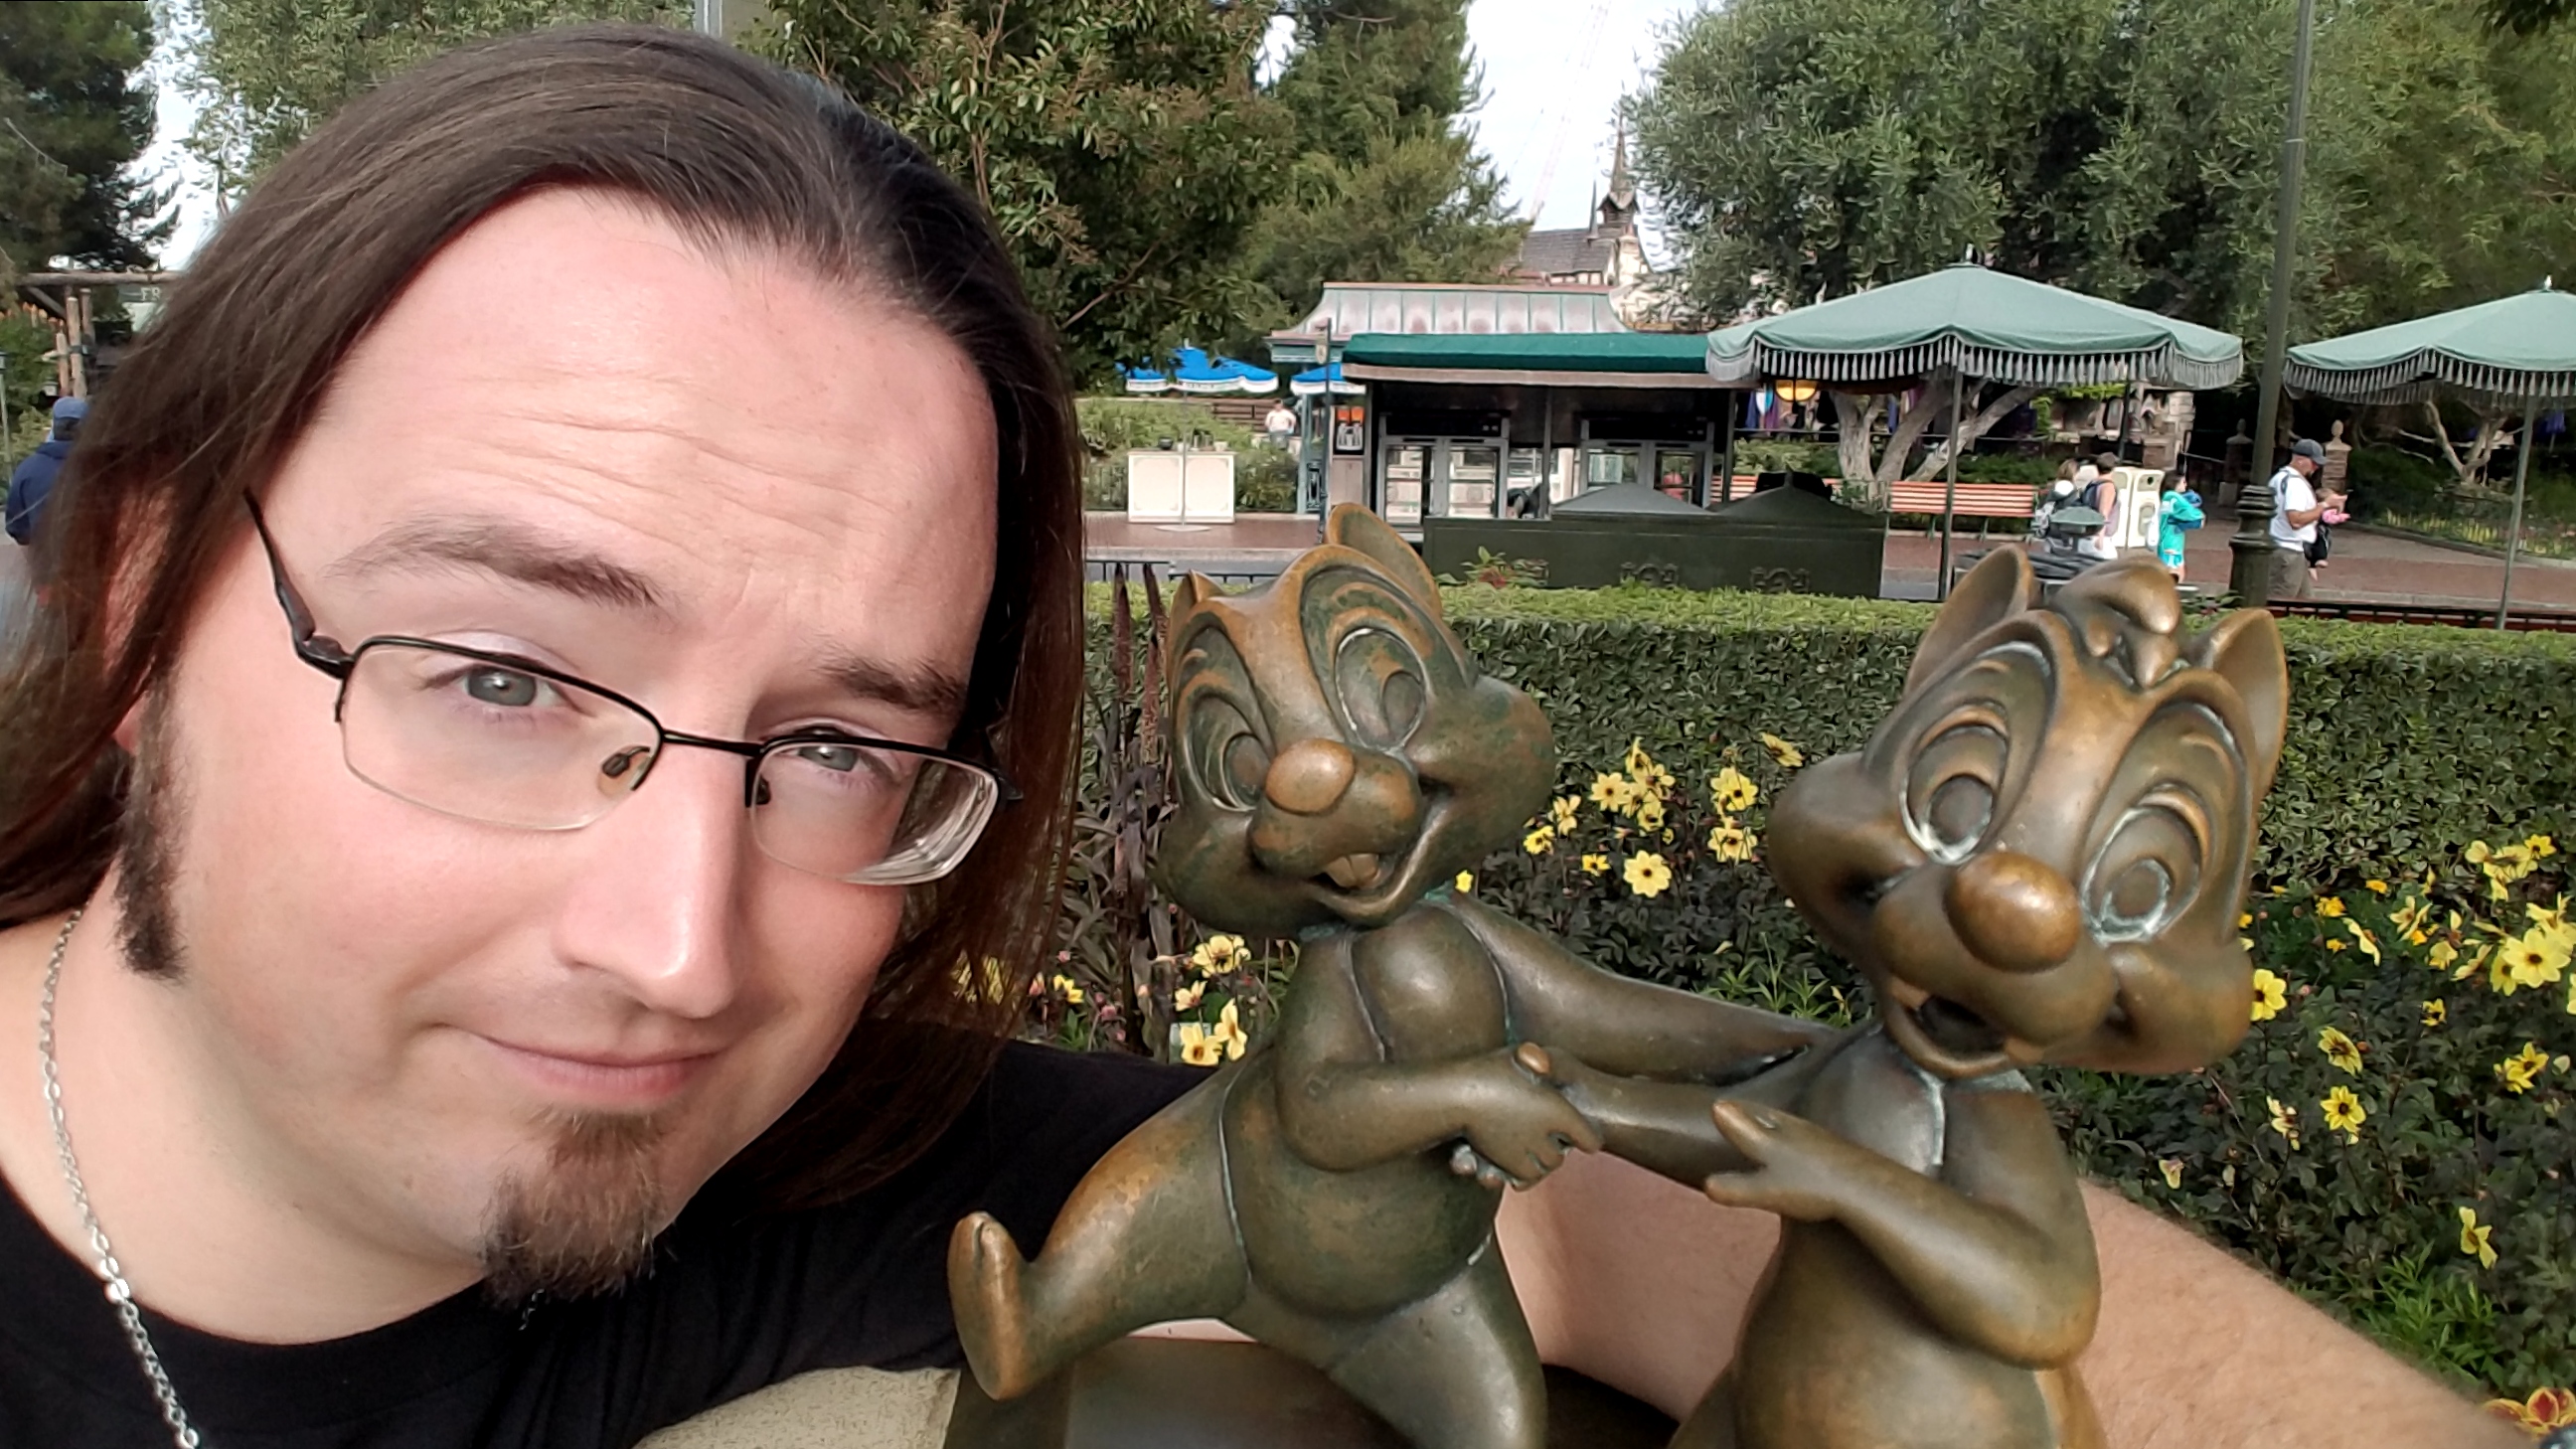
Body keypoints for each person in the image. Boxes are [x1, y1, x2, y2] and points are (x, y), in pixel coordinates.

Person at [0, 26, 2512, 1449]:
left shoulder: (818, 1151)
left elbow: (1575, 1216)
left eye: (841, 749)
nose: (677, 952)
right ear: (132, 606)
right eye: (504, 678)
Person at [6, 395, 85, 559]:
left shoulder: (28, 469)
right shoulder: (104, 467)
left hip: (46, 562)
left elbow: (17, 527)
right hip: (96, 563)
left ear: (54, 426)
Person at [2267, 437, 2346, 599]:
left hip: (2293, 550)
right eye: (2314, 462)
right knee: (2280, 601)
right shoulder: (2295, 484)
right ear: (2300, 460)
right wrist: (2324, 505)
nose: (2316, 467)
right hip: (2288, 552)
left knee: (2305, 602)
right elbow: (2296, 520)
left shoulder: (2280, 478)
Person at [2158, 469, 2205, 581]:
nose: (2186, 485)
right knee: (2174, 576)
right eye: (2183, 482)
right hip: (2172, 543)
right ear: (2175, 482)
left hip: (2168, 540)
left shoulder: (2166, 497)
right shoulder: (2173, 497)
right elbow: (2195, 515)